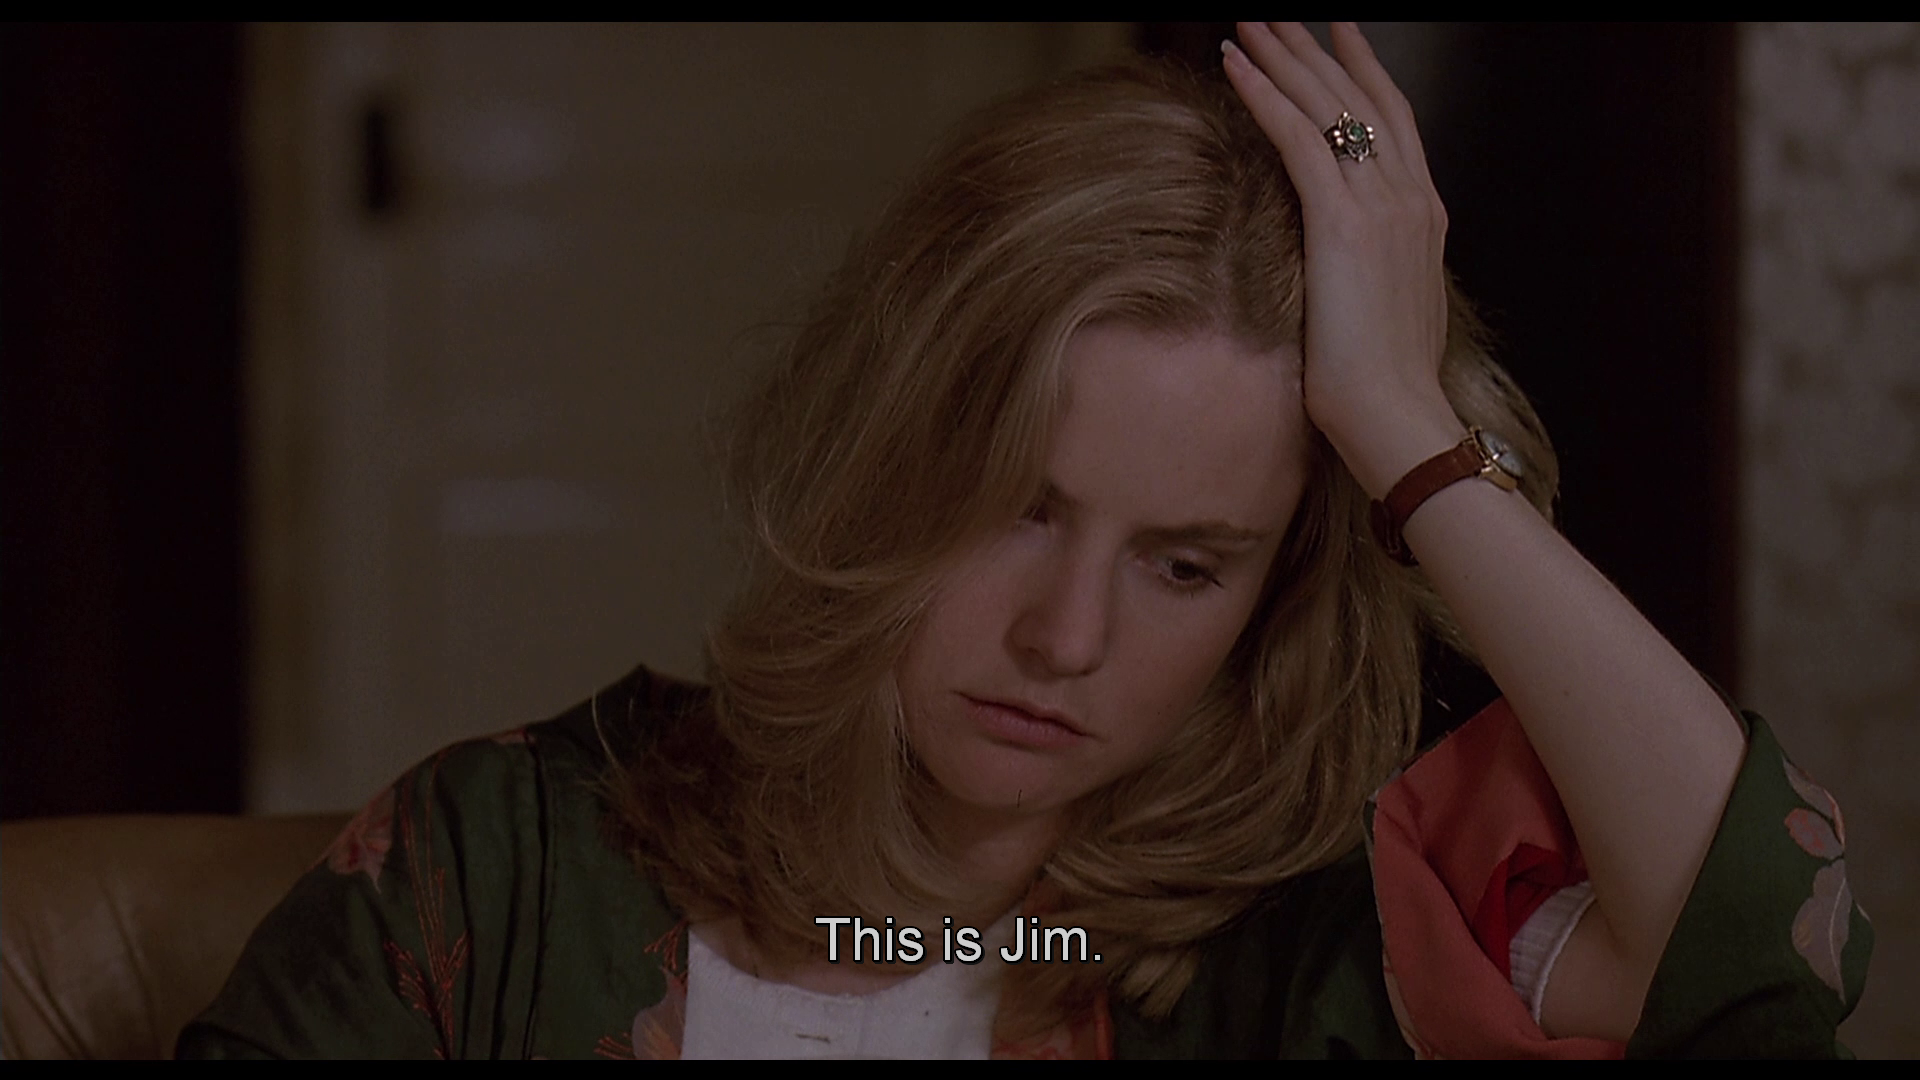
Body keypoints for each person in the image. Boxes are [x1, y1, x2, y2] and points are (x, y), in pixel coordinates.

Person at [178, 24, 1870, 1059]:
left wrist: (1402, 426)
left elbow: (1753, 951)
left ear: (1272, 590)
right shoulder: (496, 870)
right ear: (878, 457)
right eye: (1017, 509)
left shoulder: (1314, 946)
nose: (1067, 638)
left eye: (1185, 565)